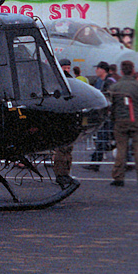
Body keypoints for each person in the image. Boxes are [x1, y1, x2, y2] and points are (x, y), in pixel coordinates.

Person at [108, 59, 138, 186]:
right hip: (136, 120)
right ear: (133, 71)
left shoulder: (115, 87)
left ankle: (118, 178)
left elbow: (111, 106)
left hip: (120, 121)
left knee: (121, 149)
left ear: (121, 71)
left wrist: (114, 118)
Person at [51, 59, 79, 188]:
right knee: (62, 149)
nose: (67, 70)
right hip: (62, 120)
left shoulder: (71, 82)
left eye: (68, 68)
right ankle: (60, 175)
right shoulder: (58, 83)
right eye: (65, 68)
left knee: (68, 150)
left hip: (70, 120)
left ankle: (65, 173)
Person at [85, 62, 116, 171]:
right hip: (106, 116)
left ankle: (95, 164)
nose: (96, 71)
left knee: (103, 139)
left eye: (97, 68)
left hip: (109, 117)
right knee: (102, 140)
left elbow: (111, 100)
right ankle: (95, 163)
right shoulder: (102, 82)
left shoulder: (109, 83)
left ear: (103, 70)